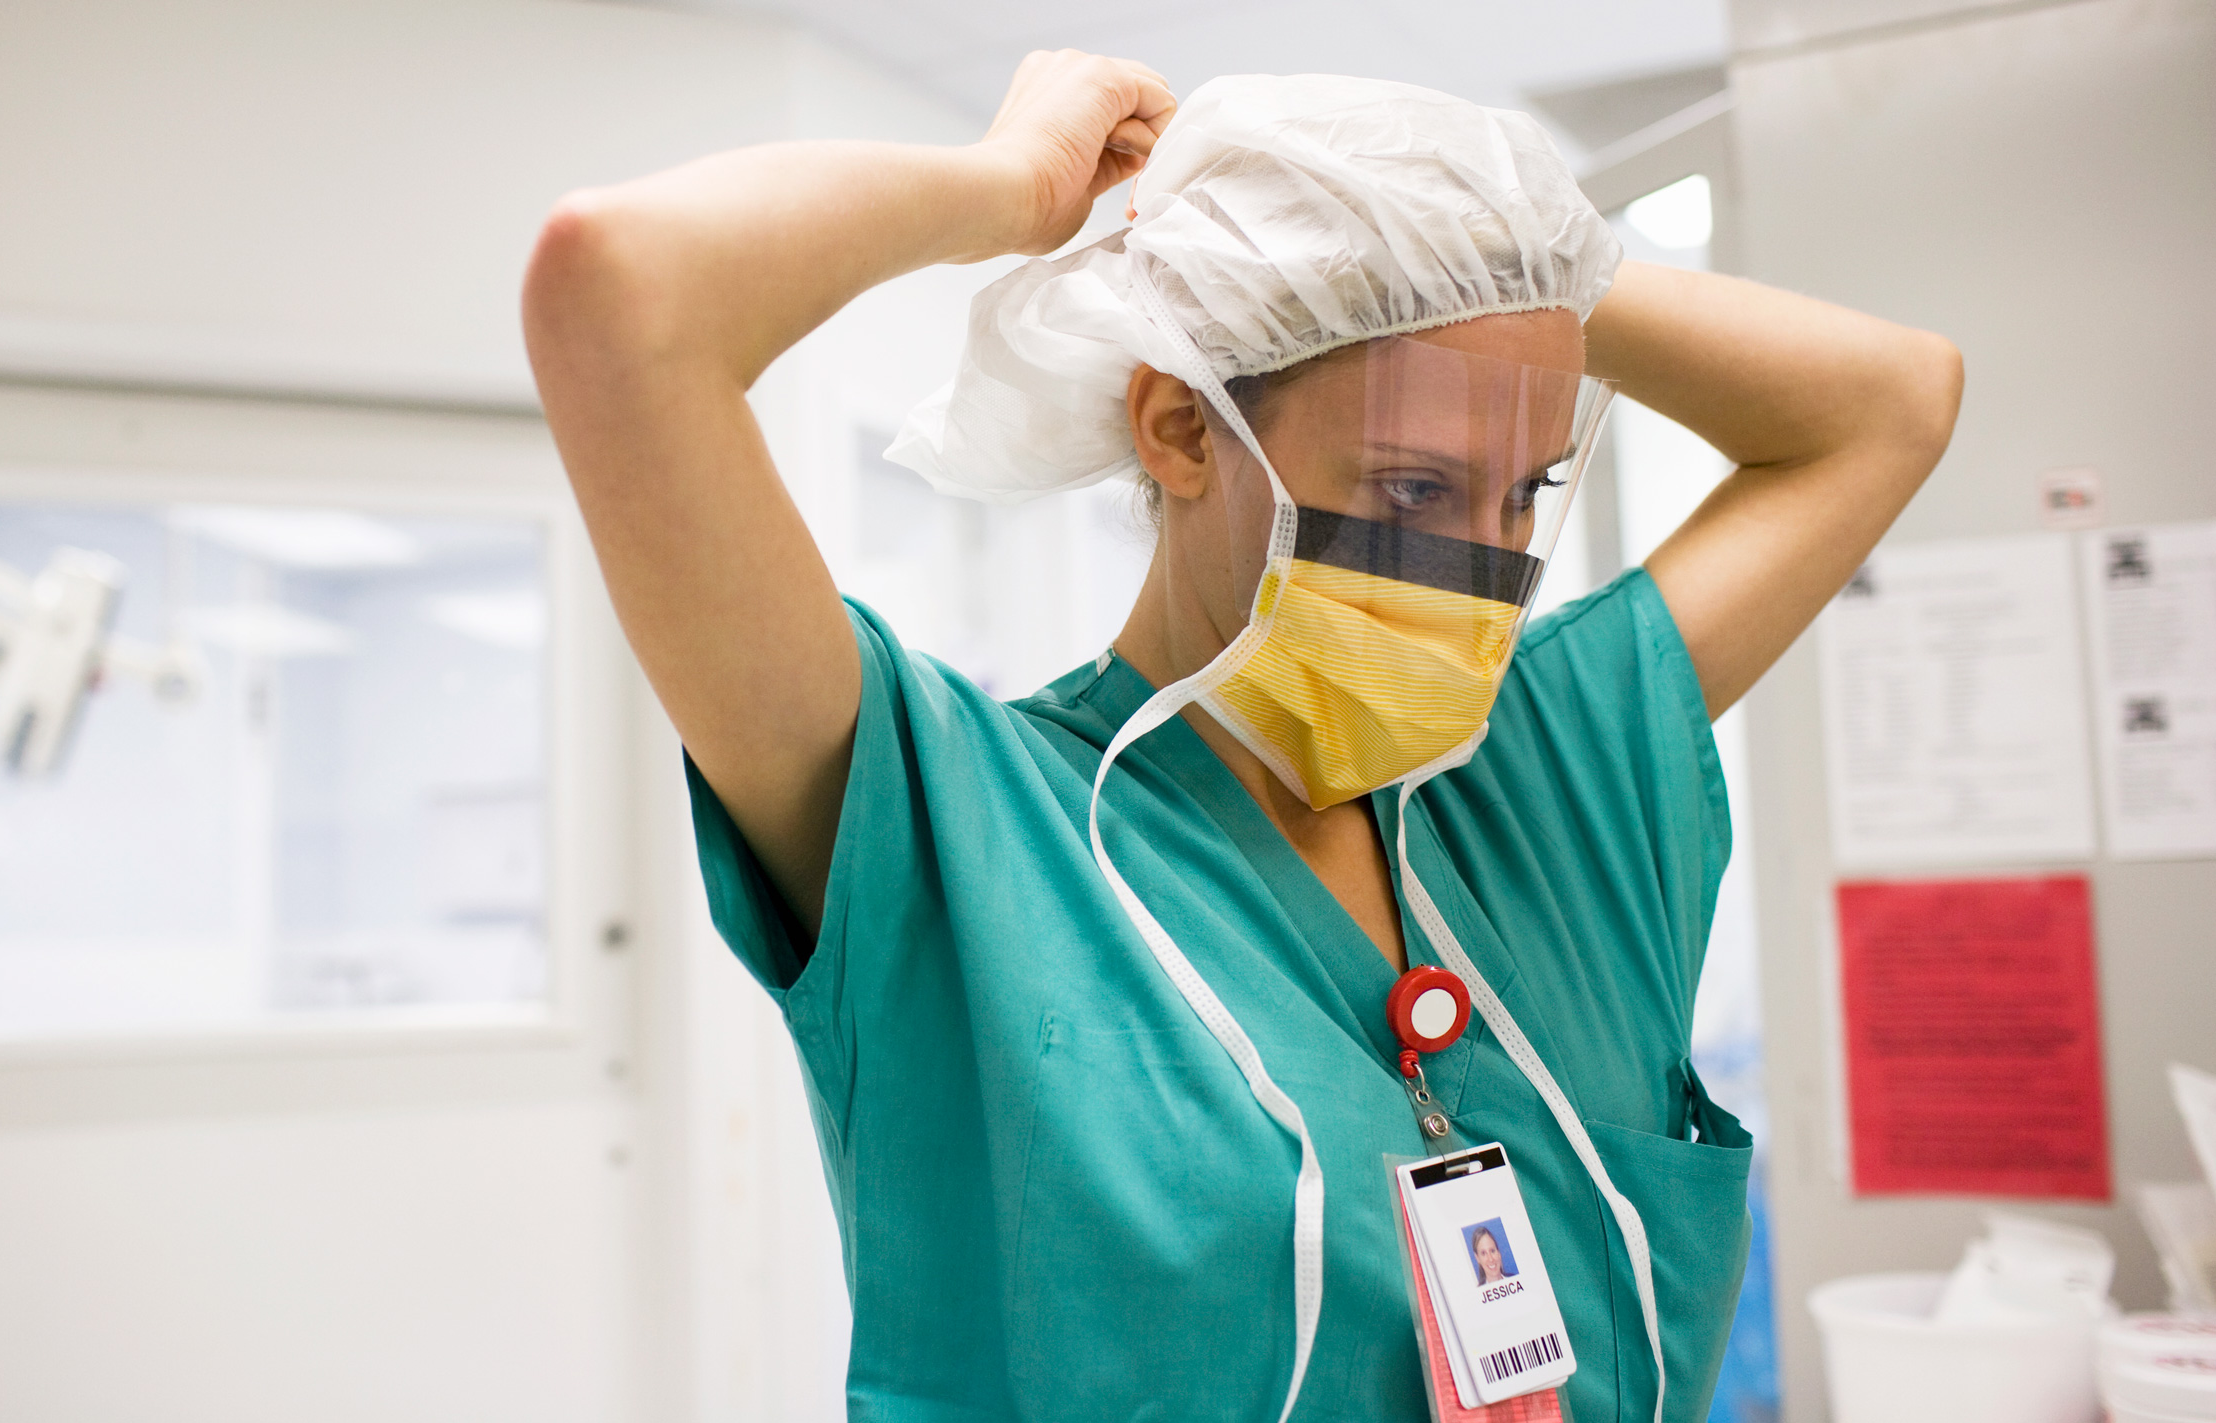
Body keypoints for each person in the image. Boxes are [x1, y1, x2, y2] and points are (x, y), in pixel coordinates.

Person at [524, 52, 1959, 1423]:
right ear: (1182, 431)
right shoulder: (958, 828)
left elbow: (1894, 400)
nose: (1481, 572)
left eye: (1522, 496)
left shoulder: (1546, 767)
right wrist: (1009, 186)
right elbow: (621, 294)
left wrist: (1509, 265)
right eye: (1409, 492)